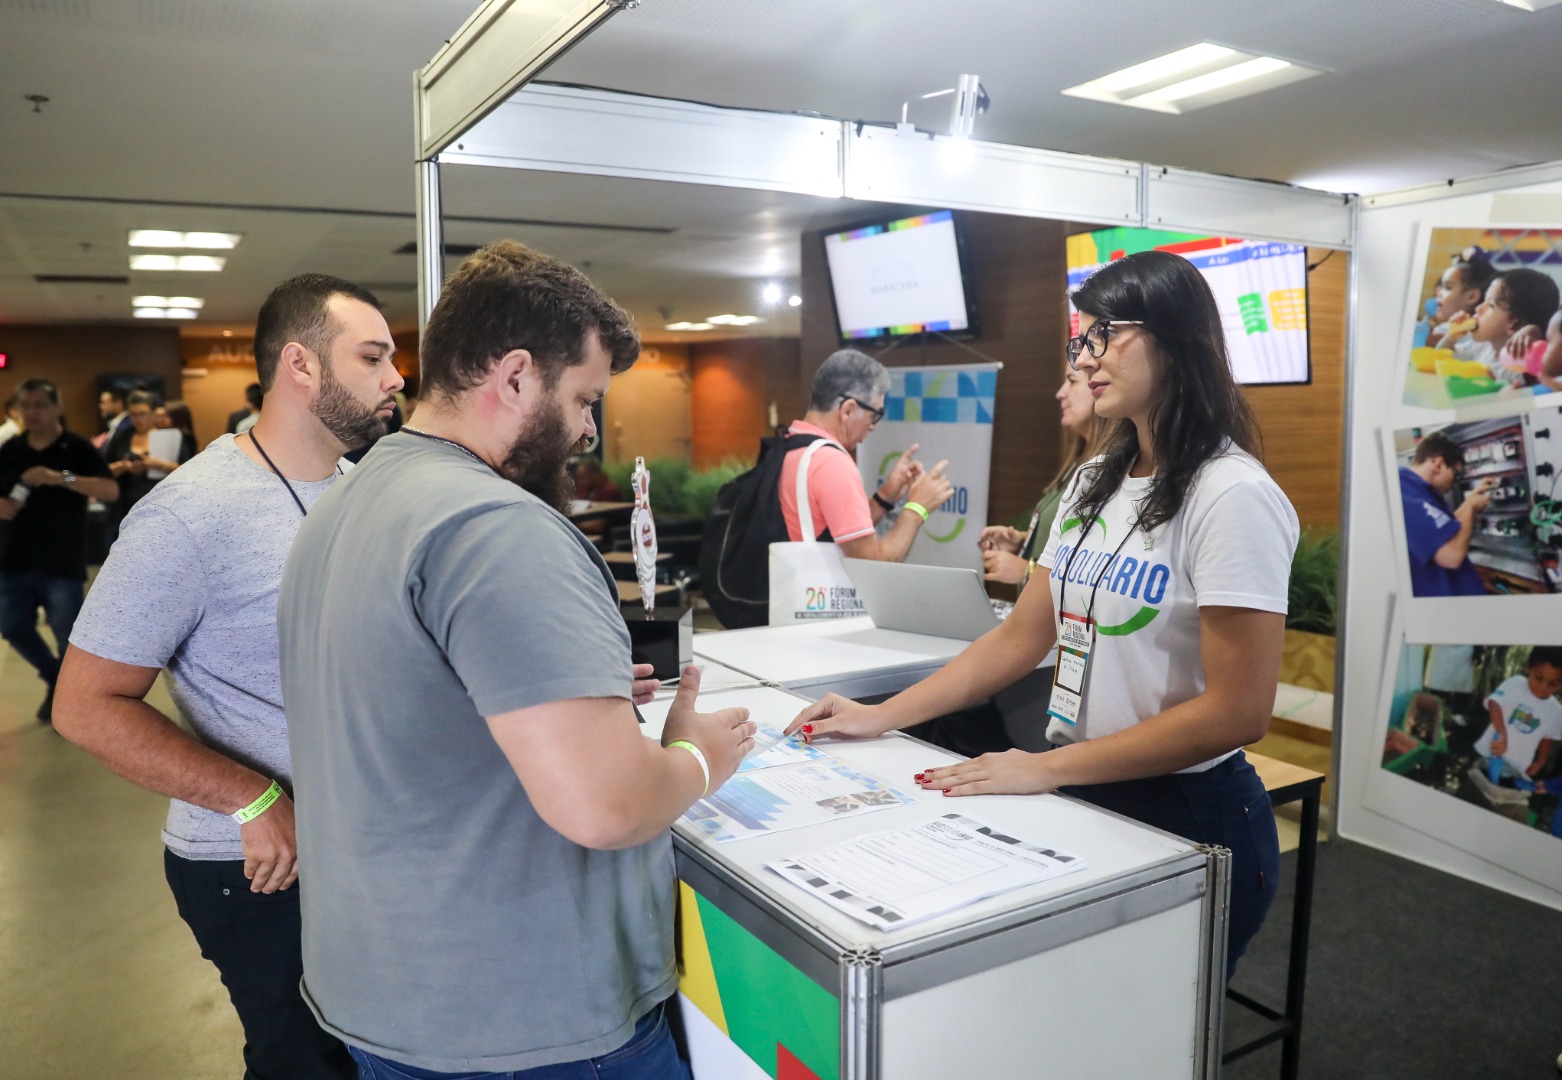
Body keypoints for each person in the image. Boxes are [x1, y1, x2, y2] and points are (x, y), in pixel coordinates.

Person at [276, 239, 755, 1077]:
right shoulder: (497, 526)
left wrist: (574, 694)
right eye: (583, 398)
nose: (588, 429)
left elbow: (413, 703)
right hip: (527, 1022)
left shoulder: (345, 501)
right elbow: (608, 807)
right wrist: (694, 757)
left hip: (388, 995)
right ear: (516, 376)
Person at [786, 250, 1300, 977]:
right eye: (1078, 340)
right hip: (1087, 790)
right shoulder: (1096, 480)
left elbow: (1238, 711)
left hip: (1188, 812)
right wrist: (882, 715)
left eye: (1103, 334)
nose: (1085, 360)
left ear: (1175, 337)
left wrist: (1045, 767)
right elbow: (1022, 638)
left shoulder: (1231, 496)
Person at [53, 273, 407, 1080]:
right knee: (306, 1066)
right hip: (257, 868)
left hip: (367, 851)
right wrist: (250, 797)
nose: (395, 378)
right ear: (302, 366)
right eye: (373, 356)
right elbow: (84, 704)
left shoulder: (361, 490)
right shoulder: (189, 514)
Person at [0, 378, 119, 721]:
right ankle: (55, 678)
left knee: (68, 633)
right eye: (26, 405)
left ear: (57, 408)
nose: (32, 412)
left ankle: (72, 700)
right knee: (13, 627)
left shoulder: (76, 447)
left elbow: (109, 490)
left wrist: (60, 478)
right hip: (15, 557)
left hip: (61, 559)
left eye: (40, 405)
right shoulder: (11, 449)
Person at [781, 348, 953, 561]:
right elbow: (872, 562)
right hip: (807, 594)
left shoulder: (790, 443)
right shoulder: (832, 464)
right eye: (875, 415)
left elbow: (846, 535)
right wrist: (918, 508)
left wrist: (887, 495)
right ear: (848, 410)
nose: (873, 427)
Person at [979, 366, 1113, 590]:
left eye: (1071, 381)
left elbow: (1101, 574)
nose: (1060, 393)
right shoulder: (1078, 462)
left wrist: (1026, 571)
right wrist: (1024, 540)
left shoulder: (1113, 471)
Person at [1399, 431, 1492, 597]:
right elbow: (1452, 556)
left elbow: (1444, 531)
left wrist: (1470, 500)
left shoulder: (1423, 491)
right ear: (1439, 465)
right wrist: (1470, 506)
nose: (1455, 482)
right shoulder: (1404, 494)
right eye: (1455, 474)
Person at [1473, 646, 1562, 785]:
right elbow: (1494, 704)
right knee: (1475, 788)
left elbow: (1547, 735)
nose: (1543, 687)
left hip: (1517, 766)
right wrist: (1502, 733)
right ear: (1529, 668)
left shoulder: (1556, 710)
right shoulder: (1516, 684)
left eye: (1553, 684)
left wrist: (1541, 760)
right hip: (1489, 753)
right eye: (1538, 678)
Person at [103, 389, 193, 522]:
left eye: (142, 414)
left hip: (161, 506)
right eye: (133, 415)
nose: (138, 419)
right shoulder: (122, 436)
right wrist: (124, 466)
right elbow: (104, 470)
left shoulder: (170, 436)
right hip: (124, 507)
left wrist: (160, 465)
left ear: (153, 413)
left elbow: (187, 473)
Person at [1424, 248, 1496, 349]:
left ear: (1471, 297)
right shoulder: (1483, 332)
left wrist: (1425, 331)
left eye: (1448, 288)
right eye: (1441, 287)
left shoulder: (1444, 330)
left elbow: (1430, 345)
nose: (1438, 293)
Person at [92, 386, 130, 450]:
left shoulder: (126, 427)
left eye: (103, 402)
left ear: (118, 403)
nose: (101, 406)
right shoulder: (114, 425)